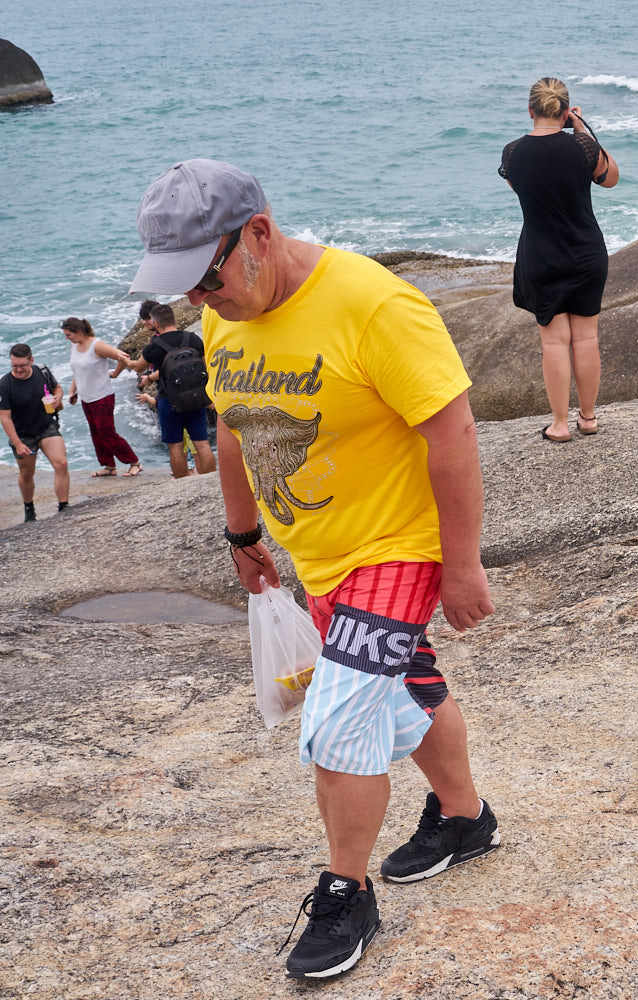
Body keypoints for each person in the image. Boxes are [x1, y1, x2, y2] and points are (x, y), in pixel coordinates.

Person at [132, 158, 498, 980]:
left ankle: (346, 892)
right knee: (408, 685)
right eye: (182, 285)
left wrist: (462, 563)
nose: (199, 298)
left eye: (207, 276)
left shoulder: (373, 304)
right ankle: (466, 817)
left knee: (336, 724)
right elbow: (233, 427)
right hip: (321, 557)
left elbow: (452, 430)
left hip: (397, 548)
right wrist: (242, 533)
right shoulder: (226, 318)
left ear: (259, 234)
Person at [499, 76, 620, 443]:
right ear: (566, 111)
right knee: (586, 338)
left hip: (541, 254)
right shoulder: (583, 147)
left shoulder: (512, 152)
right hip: (587, 252)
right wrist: (582, 131)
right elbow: (611, 178)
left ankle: (560, 425)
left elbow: (519, 186)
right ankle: (589, 418)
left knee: (554, 342)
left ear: (530, 110)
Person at [127, 304, 216, 478]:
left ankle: (180, 485)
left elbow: (137, 367)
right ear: (173, 319)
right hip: (196, 398)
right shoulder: (193, 339)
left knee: (175, 447)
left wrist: (124, 361)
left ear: (156, 323)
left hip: (169, 401)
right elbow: (206, 367)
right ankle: (211, 482)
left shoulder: (154, 347)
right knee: (202, 444)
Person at [61, 317, 142, 478]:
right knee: (96, 434)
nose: (67, 338)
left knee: (107, 433)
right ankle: (109, 466)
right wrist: (73, 391)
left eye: (68, 335)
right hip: (86, 398)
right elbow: (77, 371)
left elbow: (123, 357)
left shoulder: (97, 345)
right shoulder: (75, 345)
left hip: (102, 396)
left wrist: (116, 373)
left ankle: (134, 462)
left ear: (79, 332)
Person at [1, 343, 70, 522]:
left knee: (61, 463)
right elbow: (5, 418)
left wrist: (58, 397)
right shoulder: (5, 384)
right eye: (14, 366)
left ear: (31, 360)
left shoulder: (42, 371)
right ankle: (29, 508)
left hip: (46, 427)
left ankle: (64, 507)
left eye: (22, 365)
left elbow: (57, 388)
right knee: (27, 474)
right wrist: (18, 443)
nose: (18, 370)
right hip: (23, 435)